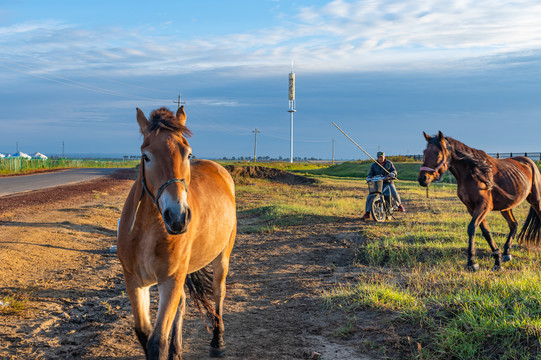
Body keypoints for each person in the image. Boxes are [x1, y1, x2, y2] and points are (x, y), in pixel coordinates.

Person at [362, 151, 405, 220]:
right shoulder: (374, 165)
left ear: (384, 157)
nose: (380, 159)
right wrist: (369, 178)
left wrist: (393, 174)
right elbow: (371, 174)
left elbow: (394, 171)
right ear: (377, 158)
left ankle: (399, 205)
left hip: (388, 182)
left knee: (394, 192)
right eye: (379, 157)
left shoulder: (389, 163)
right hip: (378, 183)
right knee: (369, 196)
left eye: (381, 157)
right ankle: (367, 213)